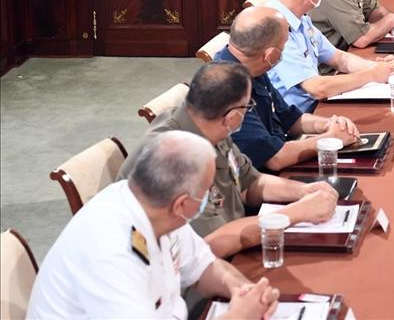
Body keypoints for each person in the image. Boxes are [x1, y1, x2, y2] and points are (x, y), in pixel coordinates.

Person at [28, 131, 280, 319]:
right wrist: (237, 316)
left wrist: (243, 290)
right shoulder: (110, 252)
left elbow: (203, 266)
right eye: (208, 193)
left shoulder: (158, 206)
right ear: (182, 204)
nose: (213, 199)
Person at [119, 62, 338, 259]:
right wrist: (295, 214)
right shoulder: (173, 157)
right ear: (233, 116)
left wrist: (304, 192)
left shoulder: (210, 124)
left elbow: (248, 182)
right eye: (247, 107)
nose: (247, 113)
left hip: (234, 242)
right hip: (190, 277)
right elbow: (211, 243)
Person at [213, 6, 360, 172]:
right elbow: (274, 158)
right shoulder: (227, 89)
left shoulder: (251, 66)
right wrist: (330, 139)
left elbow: (289, 119)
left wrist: (328, 124)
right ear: (269, 55)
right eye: (283, 47)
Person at [267, 0, 394, 113]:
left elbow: (338, 58)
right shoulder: (274, 29)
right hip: (299, 119)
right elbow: (317, 88)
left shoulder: (300, 18)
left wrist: (378, 67)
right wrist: (371, 75)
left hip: (316, 108)